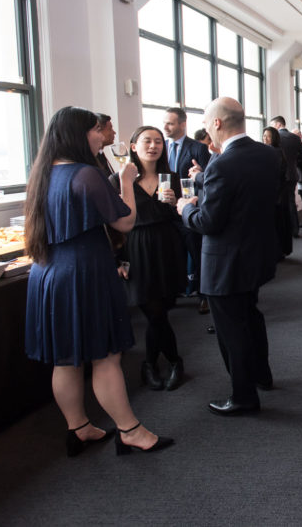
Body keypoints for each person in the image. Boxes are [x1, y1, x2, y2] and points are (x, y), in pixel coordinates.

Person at [23, 106, 173, 456]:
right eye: (95, 130)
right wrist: (126, 181)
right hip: (83, 273)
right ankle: (130, 430)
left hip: (48, 273)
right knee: (106, 357)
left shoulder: (43, 173)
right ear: (79, 135)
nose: (101, 137)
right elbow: (125, 221)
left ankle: (78, 427)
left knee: (66, 359)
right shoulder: (86, 174)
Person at [178, 97, 281, 416]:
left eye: (206, 122)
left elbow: (208, 222)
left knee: (231, 331)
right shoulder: (268, 154)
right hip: (257, 254)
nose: (206, 128)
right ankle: (262, 375)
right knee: (251, 316)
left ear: (217, 123)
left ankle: (243, 396)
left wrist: (185, 209)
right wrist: (204, 178)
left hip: (225, 263)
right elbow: (245, 193)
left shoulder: (222, 165)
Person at [110, 126, 187, 391]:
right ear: (133, 146)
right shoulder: (119, 179)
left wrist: (176, 203)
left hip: (167, 246)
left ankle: (151, 364)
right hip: (135, 248)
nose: (153, 146)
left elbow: (180, 216)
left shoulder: (171, 177)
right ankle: (174, 361)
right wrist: (118, 260)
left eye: (158, 142)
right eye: (147, 141)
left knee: (163, 308)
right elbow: (112, 225)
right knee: (154, 311)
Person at [163, 107, 212, 311]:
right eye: (164, 123)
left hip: (189, 210)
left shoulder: (198, 148)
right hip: (167, 209)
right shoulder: (162, 148)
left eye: (170, 123)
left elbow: (209, 180)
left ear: (182, 124)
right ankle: (175, 290)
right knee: (172, 254)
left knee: (197, 251)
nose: (165, 127)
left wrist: (199, 174)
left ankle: (204, 294)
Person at [271, 116, 302, 242]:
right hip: (292, 174)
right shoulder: (295, 138)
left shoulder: (275, 137)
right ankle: (294, 229)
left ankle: (282, 230)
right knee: (291, 201)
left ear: (278, 124)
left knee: (278, 203)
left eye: (272, 125)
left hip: (278, 175)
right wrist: (293, 162)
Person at [263, 127, 293, 258]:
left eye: (268, 136)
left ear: (274, 138)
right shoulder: (276, 151)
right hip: (278, 191)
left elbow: (275, 173)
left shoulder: (274, 152)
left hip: (277, 192)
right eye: (264, 135)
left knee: (277, 223)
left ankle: (277, 251)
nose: (265, 138)